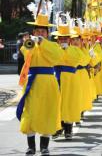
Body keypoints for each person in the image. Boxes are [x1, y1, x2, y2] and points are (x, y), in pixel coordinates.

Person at [17, 12, 63, 155]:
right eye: (38, 31)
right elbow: (24, 51)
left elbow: (56, 58)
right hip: (33, 83)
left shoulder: (54, 46)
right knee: (30, 113)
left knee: (47, 113)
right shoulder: (30, 44)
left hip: (49, 83)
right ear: (34, 32)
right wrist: (31, 42)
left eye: (43, 31)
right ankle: (31, 147)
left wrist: (43, 43)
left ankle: (44, 147)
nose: (40, 33)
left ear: (47, 33)